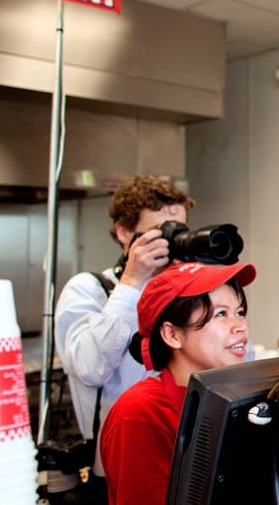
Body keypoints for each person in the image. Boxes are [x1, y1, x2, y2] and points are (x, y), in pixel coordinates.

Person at [53, 174, 194, 486]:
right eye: (159, 233)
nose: (168, 243)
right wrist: (133, 281)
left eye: (177, 232)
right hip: (116, 465)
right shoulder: (88, 290)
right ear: (124, 231)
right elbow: (90, 370)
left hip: (180, 459)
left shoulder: (181, 296)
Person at [100, 260, 256, 505]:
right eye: (221, 314)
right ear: (173, 334)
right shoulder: (140, 413)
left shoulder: (238, 397)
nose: (240, 326)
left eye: (239, 312)